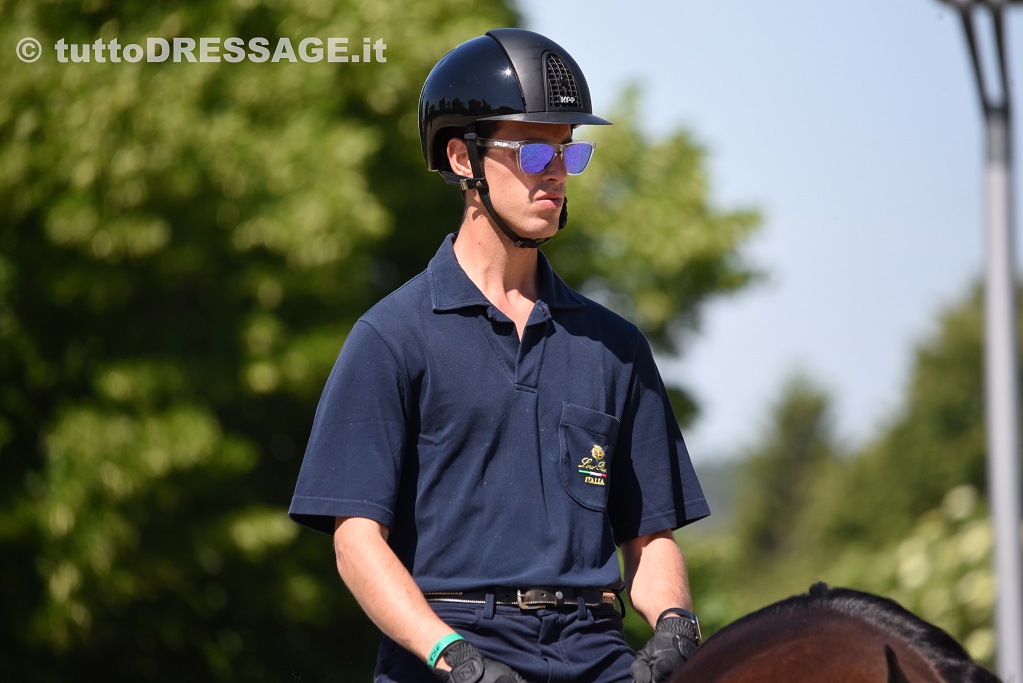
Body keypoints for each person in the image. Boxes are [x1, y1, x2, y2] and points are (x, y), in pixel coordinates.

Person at [289, 28, 710, 683]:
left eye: (569, 152)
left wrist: (675, 624)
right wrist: (452, 657)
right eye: (534, 151)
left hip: (596, 652)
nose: (556, 175)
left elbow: (650, 537)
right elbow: (356, 541)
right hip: (447, 653)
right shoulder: (390, 338)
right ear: (462, 157)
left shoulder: (617, 347)